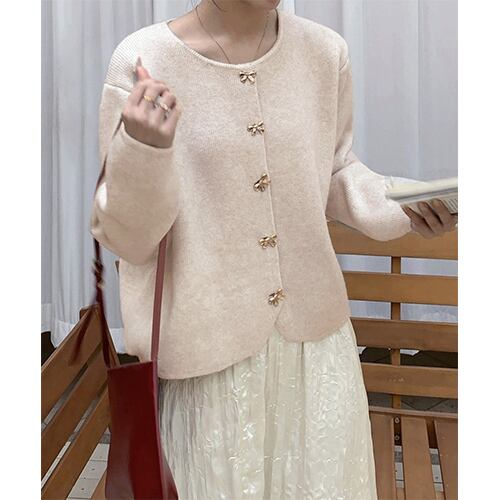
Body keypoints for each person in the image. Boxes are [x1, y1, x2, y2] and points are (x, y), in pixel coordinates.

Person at [91, 0, 458, 498]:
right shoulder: (143, 60)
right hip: (209, 363)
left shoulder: (324, 52)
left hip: (315, 352)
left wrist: (406, 207)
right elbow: (128, 239)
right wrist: (143, 150)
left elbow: (335, 171)